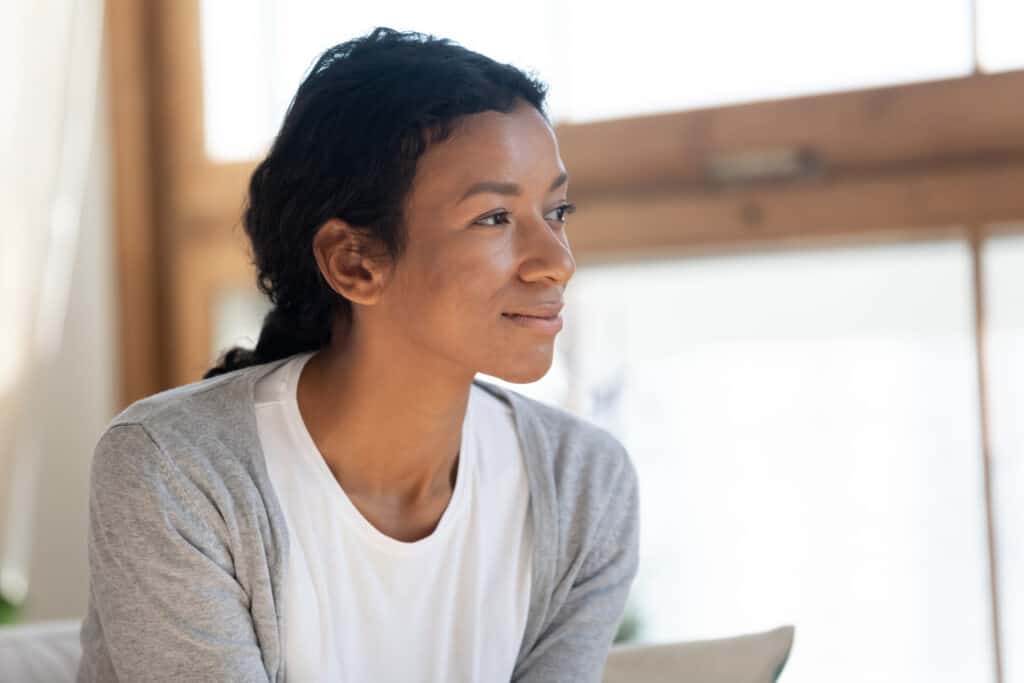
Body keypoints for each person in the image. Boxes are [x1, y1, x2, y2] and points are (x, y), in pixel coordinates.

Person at [77, 27, 639, 682]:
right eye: (494, 218)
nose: (557, 263)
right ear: (353, 261)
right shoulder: (178, 472)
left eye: (558, 210)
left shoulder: (584, 485)